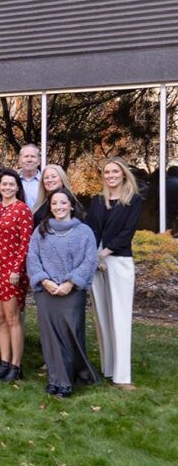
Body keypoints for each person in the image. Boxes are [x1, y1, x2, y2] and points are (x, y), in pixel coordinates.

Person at [27, 189, 100, 398]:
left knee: (70, 335)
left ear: (71, 205)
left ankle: (72, 374)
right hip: (46, 291)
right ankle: (58, 380)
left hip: (72, 292)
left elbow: (90, 260)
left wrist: (71, 282)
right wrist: (44, 280)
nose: (59, 207)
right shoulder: (41, 230)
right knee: (50, 337)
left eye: (63, 203)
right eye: (55, 203)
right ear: (50, 207)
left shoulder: (84, 231)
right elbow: (32, 257)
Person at [87, 157, 143, 389]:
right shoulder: (98, 201)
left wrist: (105, 254)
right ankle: (108, 368)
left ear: (123, 174)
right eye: (107, 172)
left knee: (120, 318)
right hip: (97, 262)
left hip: (119, 261)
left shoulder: (134, 201)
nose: (110, 175)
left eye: (115, 171)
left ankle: (122, 376)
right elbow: (91, 230)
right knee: (102, 317)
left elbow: (127, 233)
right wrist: (95, 256)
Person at [0, 168, 34, 382]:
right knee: (1, 318)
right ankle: (4, 362)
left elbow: (26, 242)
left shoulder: (22, 210)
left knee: (13, 318)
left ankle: (16, 364)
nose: (7, 187)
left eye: (11, 184)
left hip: (12, 270)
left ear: (17, 187)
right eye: (3, 184)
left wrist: (16, 269)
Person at [18, 144, 42, 210]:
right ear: (19, 161)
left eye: (33, 156)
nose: (29, 159)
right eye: (26, 156)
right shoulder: (13, 181)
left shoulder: (45, 181)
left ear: (39, 161)